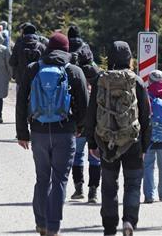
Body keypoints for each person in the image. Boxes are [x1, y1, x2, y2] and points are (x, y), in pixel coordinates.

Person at [16, 32, 89, 236]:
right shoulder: (74, 71)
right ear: (67, 50)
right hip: (65, 131)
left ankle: (40, 223)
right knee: (59, 180)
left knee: (42, 178)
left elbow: (21, 102)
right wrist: (79, 127)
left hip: (38, 131)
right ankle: (53, 226)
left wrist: (22, 133)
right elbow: (85, 104)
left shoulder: (33, 69)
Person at [85, 41, 151, 236]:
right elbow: (146, 116)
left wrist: (91, 142)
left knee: (108, 184)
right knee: (132, 184)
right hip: (132, 141)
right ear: (129, 58)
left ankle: (109, 226)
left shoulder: (100, 80)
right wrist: (145, 146)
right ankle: (129, 221)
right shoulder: (136, 81)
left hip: (106, 141)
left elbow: (91, 113)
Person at [66, 24, 101, 203]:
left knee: (77, 154)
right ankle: (93, 191)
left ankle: (78, 187)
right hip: (95, 119)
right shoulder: (95, 70)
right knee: (95, 155)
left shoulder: (69, 69)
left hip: (77, 118)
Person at [143, 69, 162, 205]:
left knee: (148, 166)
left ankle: (149, 195)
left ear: (150, 80)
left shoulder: (145, 94)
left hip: (148, 136)